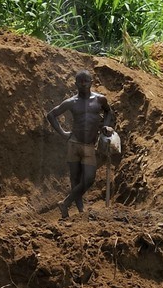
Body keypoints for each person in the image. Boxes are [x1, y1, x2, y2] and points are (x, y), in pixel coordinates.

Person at [46, 70, 114, 220]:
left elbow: (109, 112)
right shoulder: (72, 102)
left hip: (89, 145)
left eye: (86, 81)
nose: (83, 84)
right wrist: (63, 132)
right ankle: (80, 210)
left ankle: (65, 203)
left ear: (91, 82)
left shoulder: (100, 99)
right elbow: (51, 115)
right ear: (76, 84)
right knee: (75, 179)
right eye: (80, 82)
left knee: (89, 179)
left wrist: (106, 126)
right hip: (74, 144)